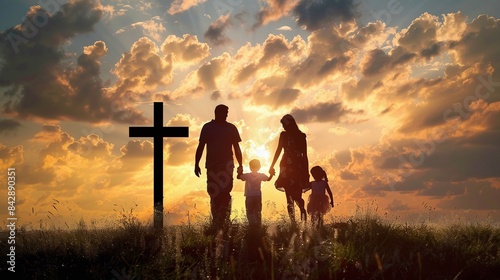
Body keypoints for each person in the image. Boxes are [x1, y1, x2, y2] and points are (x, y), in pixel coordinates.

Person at [195, 104, 243, 233]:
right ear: (217, 112)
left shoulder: (231, 128)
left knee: (225, 193)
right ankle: (216, 222)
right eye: (225, 112)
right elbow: (201, 146)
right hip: (212, 166)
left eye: (227, 112)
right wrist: (196, 164)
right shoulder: (207, 127)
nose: (226, 115)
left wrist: (241, 165)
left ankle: (224, 222)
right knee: (214, 193)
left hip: (227, 166)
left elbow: (237, 148)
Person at [269, 114, 309, 223]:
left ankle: (302, 215)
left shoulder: (301, 136)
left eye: (284, 124)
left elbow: (305, 155)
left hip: (298, 167)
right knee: (289, 197)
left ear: (289, 124)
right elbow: (278, 150)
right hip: (286, 166)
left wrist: (306, 172)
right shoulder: (283, 135)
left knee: (297, 195)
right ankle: (293, 224)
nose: (283, 127)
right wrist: (271, 165)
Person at [237, 159, 274, 227]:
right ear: (259, 167)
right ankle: (258, 226)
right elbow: (268, 179)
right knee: (258, 211)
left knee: (249, 211)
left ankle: (251, 225)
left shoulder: (247, 175)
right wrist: (271, 174)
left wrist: (239, 171)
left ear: (250, 167)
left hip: (249, 196)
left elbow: (238, 177)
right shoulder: (261, 175)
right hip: (257, 196)